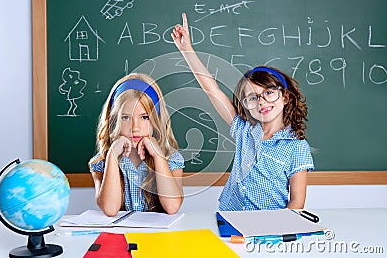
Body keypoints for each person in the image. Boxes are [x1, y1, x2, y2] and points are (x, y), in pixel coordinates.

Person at [171, 13, 314, 211]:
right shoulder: (244, 129)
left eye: (269, 93)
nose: (262, 101)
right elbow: (212, 90)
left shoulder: (297, 147)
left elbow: (297, 202)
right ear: (246, 105)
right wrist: (187, 49)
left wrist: (278, 229)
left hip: (269, 226)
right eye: (253, 97)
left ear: (286, 97)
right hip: (230, 216)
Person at [89, 73, 184, 216]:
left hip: (158, 237)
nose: (135, 127)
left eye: (144, 117)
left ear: (156, 120)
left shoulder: (171, 159)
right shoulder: (102, 161)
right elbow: (110, 209)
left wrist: (158, 157)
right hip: (122, 236)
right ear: (114, 120)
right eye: (125, 117)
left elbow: (172, 207)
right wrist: (112, 156)